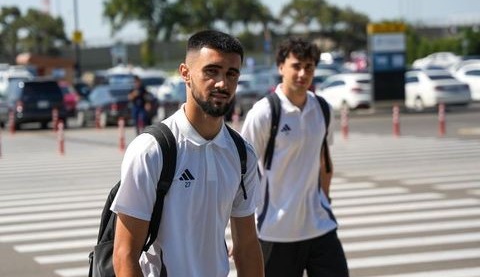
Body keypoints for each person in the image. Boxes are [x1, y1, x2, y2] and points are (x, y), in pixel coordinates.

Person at [111, 30, 264, 277]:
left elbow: (246, 247)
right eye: (211, 71)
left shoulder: (242, 153)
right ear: (185, 73)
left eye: (231, 74)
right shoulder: (151, 150)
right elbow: (124, 254)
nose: (222, 83)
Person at [241, 37, 349, 277]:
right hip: (275, 230)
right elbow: (242, 172)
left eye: (309, 67)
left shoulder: (322, 109)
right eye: (296, 66)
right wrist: (242, 231)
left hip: (319, 226)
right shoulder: (265, 112)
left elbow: (324, 161)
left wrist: (324, 199)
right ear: (281, 67)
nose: (302, 73)